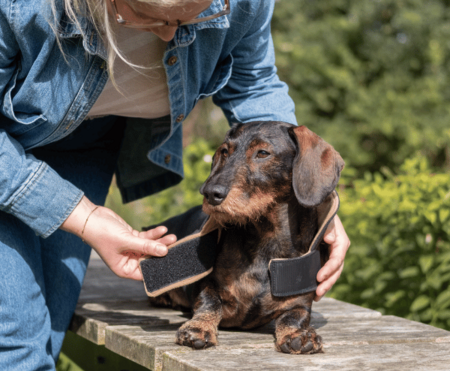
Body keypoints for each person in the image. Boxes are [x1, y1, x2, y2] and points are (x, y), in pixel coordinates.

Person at [0, 0, 351, 368]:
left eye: (191, 18)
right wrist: (84, 217)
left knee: (49, 326)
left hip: (85, 143)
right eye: (149, 17)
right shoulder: (23, 8)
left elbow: (254, 86)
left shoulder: (244, 3)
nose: (170, 34)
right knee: (15, 339)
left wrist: (314, 196)